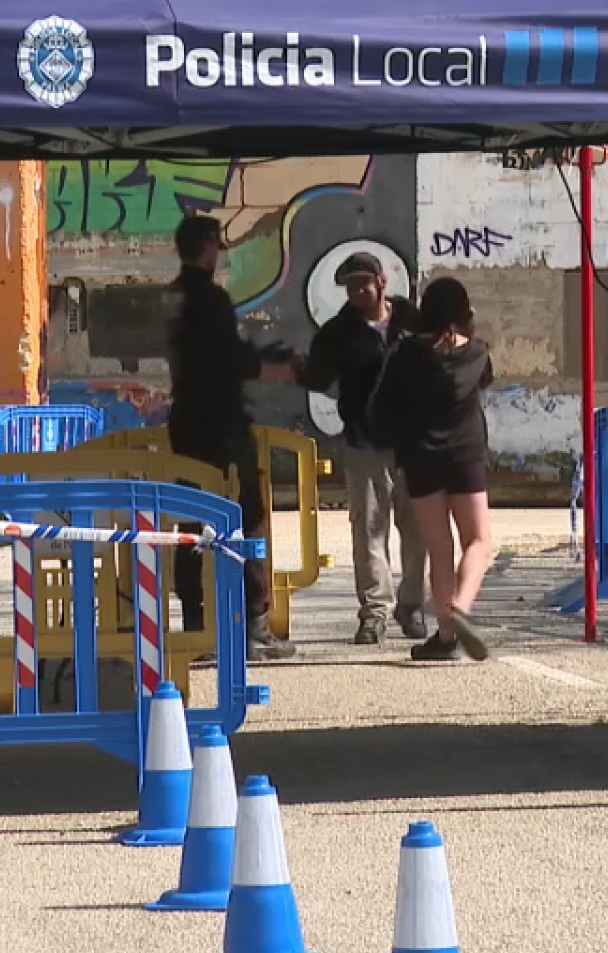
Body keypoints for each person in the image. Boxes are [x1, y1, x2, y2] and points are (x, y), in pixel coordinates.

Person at [164, 214, 296, 662]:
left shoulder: (173, 298)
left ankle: (196, 626)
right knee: (247, 515)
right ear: (207, 248)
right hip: (221, 425)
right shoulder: (212, 300)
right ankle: (252, 623)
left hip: (185, 424)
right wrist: (278, 369)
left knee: (191, 522)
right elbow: (229, 360)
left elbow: (202, 356)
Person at [294, 251, 427, 644]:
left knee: (416, 528)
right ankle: (374, 614)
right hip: (363, 442)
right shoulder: (338, 333)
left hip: (411, 444)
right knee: (368, 528)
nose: (355, 291)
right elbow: (318, 377)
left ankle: (412, 605)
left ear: (382, 282)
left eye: (361, 284)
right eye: (349, 286)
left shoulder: (411, 321)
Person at [370, 276, 494, 662]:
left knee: (439, 550)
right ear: (463, 311)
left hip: (421, 457)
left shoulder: (406, 353)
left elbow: (380, 405)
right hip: (466, 455)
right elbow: (485, 381)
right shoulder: (477, 353)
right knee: (479, 541)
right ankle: (460, 607)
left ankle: (445, 637)